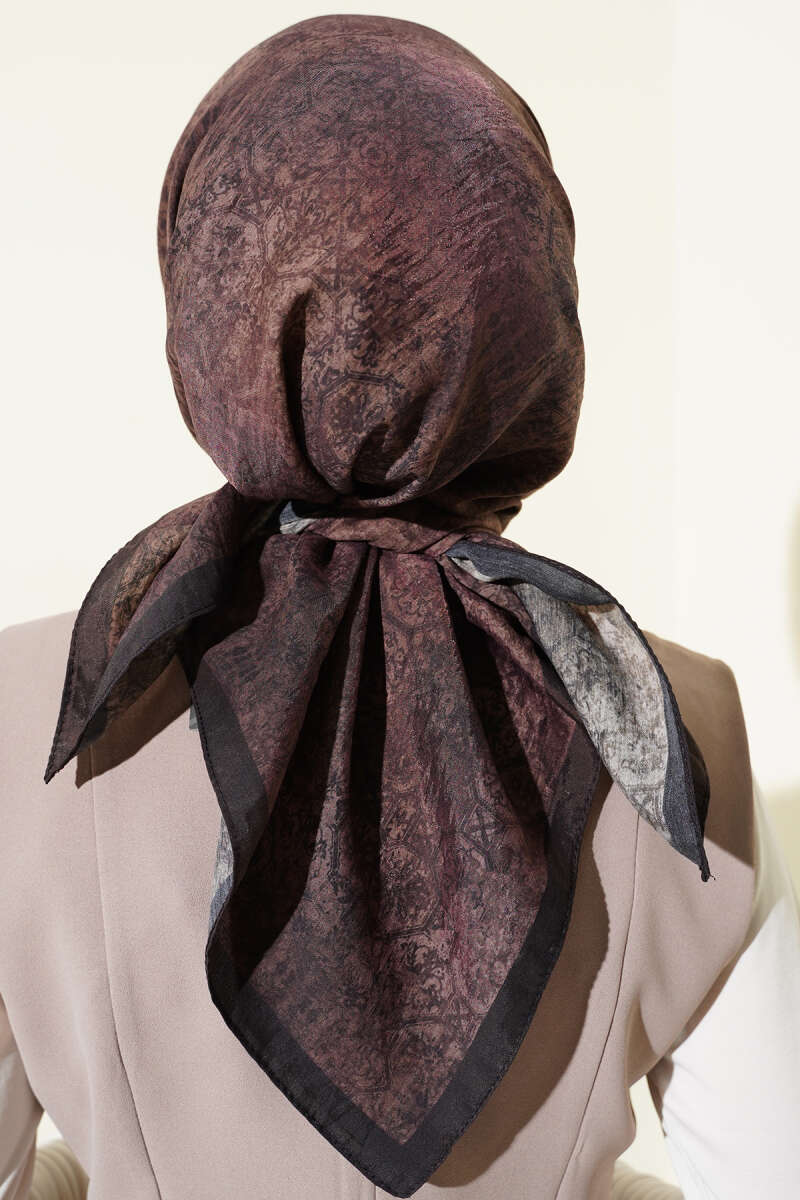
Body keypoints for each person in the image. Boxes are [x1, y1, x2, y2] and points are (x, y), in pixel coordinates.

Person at [1, 14, 799, 1199]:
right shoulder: (666, 729)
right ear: (530, 302)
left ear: (208, 295)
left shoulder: (31, 713)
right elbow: (769, 1168)